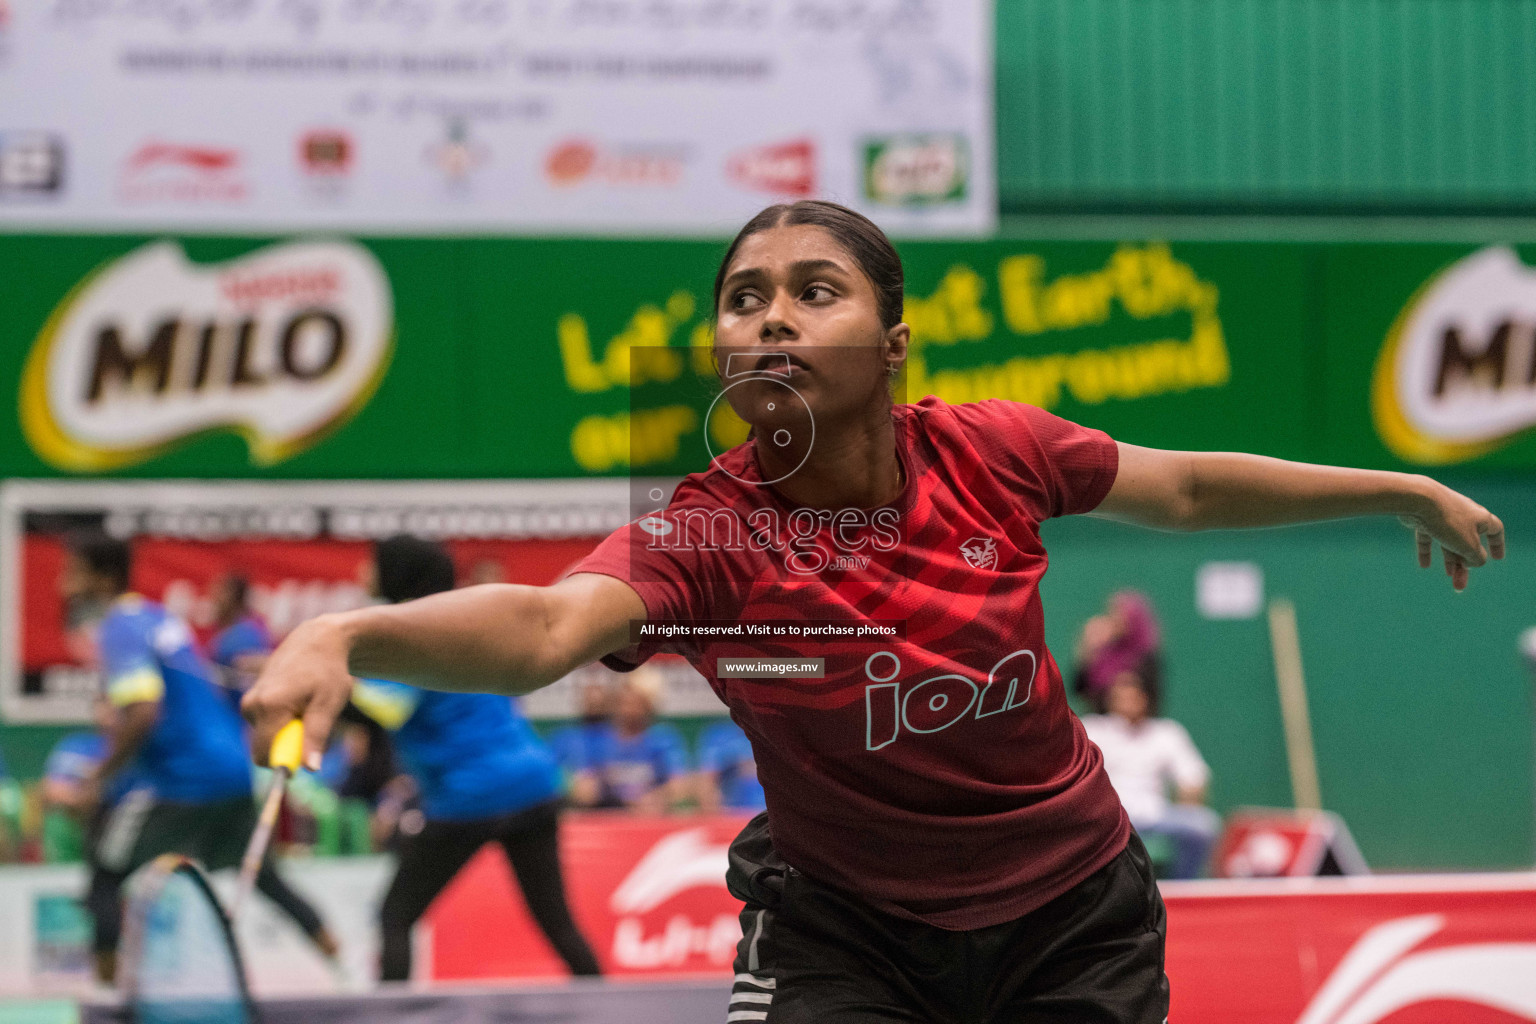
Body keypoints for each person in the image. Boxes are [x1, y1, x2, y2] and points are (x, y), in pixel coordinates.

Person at [243, 200, 1504, 1023]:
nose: (771, 313)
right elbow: (543, 632)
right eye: (744, 298)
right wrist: (342, 633)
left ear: (892, 343)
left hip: (1071, 915)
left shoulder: (992, 454)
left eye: (813, 289)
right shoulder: (705, 530)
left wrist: (1395, 485)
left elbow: (1177, 487)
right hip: (843, 931)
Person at [61, 533, 337, 983]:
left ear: (102, 578)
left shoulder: (119, 628)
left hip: (186, 780)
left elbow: (144, 711)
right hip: (232, 769)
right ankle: (345, 968)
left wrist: (97, 778)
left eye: (72, 573)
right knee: (266, 879)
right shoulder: (155, 617)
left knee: (105, 875)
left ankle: (105, 1003)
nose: (63, 585)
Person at [348, 535, 600, 983]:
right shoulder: (460, 618)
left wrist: (300, 684)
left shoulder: (409, 632)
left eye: (370, 563)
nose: (360, 573)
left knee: (395, 916)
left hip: (470, 796)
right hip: (532, 785)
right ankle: (611, 1012)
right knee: (557, 925)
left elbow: (372, 714)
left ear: (396, 574)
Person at [1082, 668, 1219, 880]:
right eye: (1120, 695)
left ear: (1146, 697)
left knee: (1203, 825)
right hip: (1110, 815)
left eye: (1133, 693)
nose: (1127, 700)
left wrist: (1190, 795)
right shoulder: (1093, 730)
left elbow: (1193, 777)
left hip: (1156, 814)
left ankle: (1181, 891)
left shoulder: (1166, 733)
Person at [562, 668, 690, 812]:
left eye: (635, 702)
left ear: (649, 705)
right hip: (607, 817)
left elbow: (679, 785)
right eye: (623, 700)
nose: (627, 708)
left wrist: (658, 797)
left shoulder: (664, 739)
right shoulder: (598, 738)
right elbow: (584, 784)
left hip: (649, 819)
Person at [1074, 590, 1163, 714]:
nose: (1116, 620)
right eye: (1113, 614)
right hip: (1103, 725)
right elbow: (1079, 691)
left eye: (1121, 615)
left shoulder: (1146, 657)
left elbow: (1154, 696)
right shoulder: (1103, 651)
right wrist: (1088, 652)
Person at [207, 574, 273, 703]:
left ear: (231, 596)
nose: (214, 599)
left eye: (219, 594)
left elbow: (252, 671)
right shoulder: (225, 633)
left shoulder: (245, 636)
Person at [694, 717, 767, 814]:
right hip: (734, 813)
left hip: (771, 813)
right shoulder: (721, 738)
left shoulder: (779, 737)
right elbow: (707, 780)